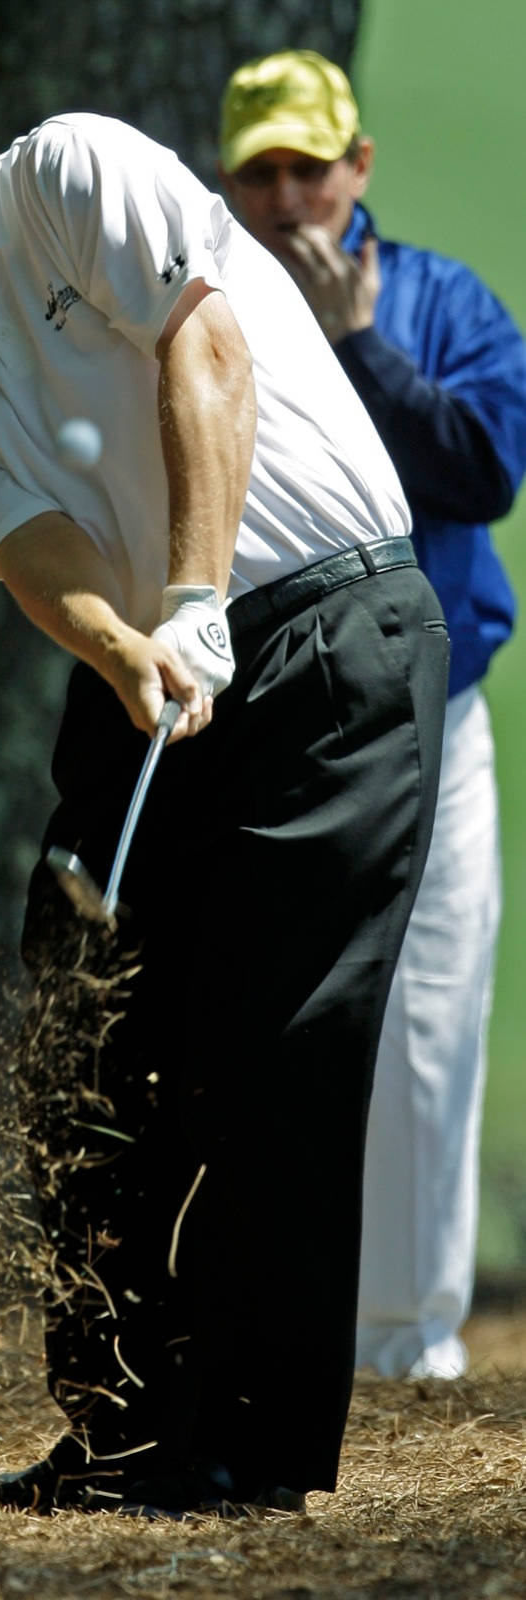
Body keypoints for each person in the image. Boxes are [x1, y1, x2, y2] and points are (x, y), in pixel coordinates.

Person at [0, 86, 448, 1515]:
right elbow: (34, 544)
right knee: (85, 1039)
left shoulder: (70, 171)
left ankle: (241, 1453)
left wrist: (195, 592)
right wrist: (131, 648)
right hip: (152, 676)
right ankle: (122, 1437)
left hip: (326, 638)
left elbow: (209, 343)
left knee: (273, 1053)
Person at [218, 49, 526, 1381]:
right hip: (268, 728)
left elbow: (484, 470)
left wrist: (357, 350)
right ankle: (269, 1324)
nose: (291, 198)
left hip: (436, 721)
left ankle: (407, 1347)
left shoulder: (446, 304)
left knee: (434, 1015)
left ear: (360, 169)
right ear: (227, 185)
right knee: (267, 1017)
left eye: (310, 167)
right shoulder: (205, 318)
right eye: (262, 173)